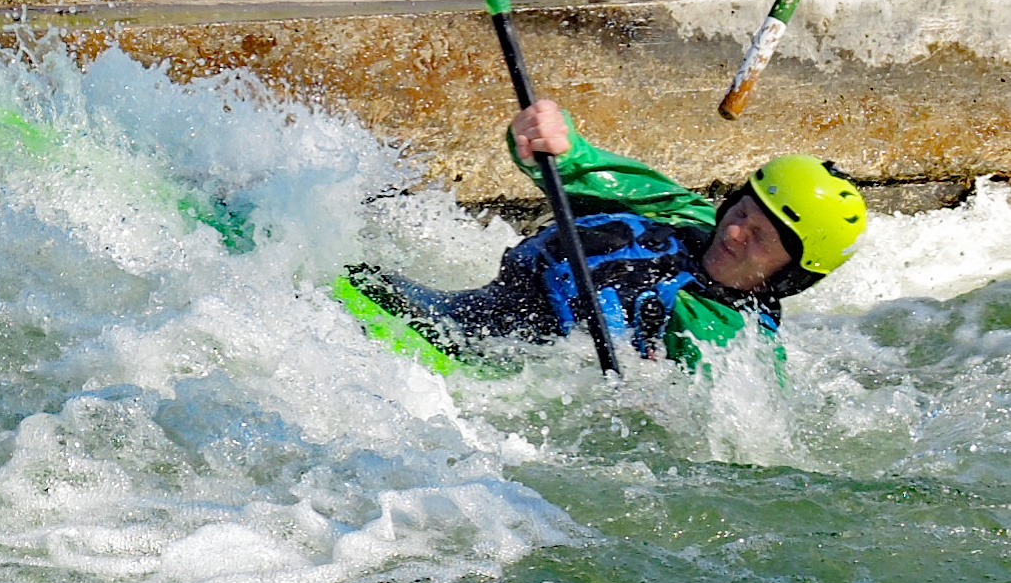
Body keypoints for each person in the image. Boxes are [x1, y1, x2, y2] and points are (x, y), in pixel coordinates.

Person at [346, 99, 867, 368]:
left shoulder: (731, 345)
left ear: (789, 276)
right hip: (465, 314)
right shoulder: (677, 212)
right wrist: (546, 132)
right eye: (744, 213)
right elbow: (578, 162)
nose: (735, 233)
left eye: (761, 238)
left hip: (490, 368)